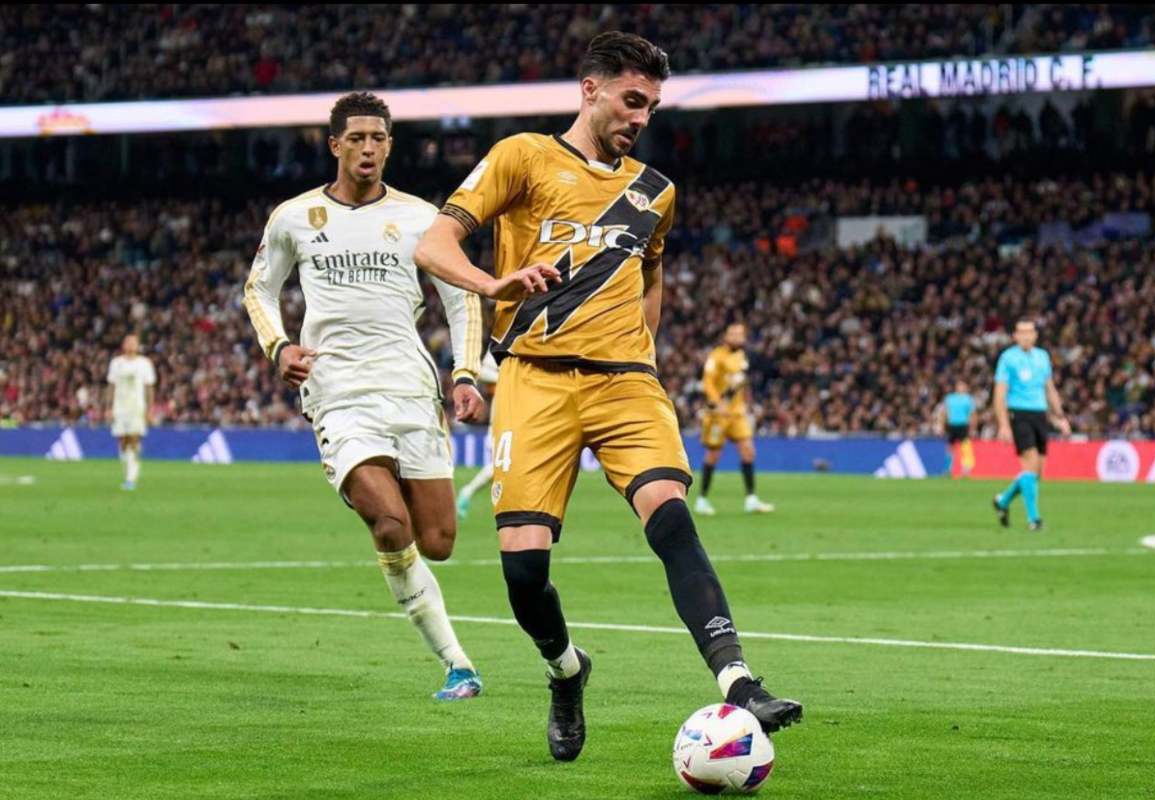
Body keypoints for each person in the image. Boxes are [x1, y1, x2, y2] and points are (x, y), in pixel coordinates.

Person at [415, 31, 802, 762]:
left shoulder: (654, 192)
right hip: (534, 381)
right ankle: (565, 671)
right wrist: (493, 283)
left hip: (625, 381)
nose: (641, 116)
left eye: (651, 106)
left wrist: (642, 352)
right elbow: (433, 245)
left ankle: (740, 681)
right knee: (524, 571)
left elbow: (650, 278)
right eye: (631, 100)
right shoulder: (522, 156)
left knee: (671, 519)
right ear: (588, 90)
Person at [243, 92, 486, 701]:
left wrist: (464, 374)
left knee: (436, 542)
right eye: (357, 139)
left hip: (410, 387)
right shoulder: (294, 217)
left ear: (389, 146)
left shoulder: (420, 218)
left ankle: (397, 514)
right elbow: (258, 290)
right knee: (387, 523)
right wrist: (279, 348)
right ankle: (458, 663)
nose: (369, 148)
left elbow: (462, 298)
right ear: (335, 146)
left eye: (379, 138)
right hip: (338, 391)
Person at [991, 318, 1072, 531]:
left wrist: (1060, 417)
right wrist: (1004, 424)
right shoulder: (1008, 358)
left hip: (1040, 415)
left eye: (1029, 332)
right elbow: (1000, 392)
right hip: (1019, 415)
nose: (1025, 336)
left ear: (1035, 335)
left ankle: (1003, 501)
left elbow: (1049, 388)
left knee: (1037, 473)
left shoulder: (1043, 357)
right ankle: (1033, 519)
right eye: (1021, 332)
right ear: (1015, 336)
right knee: (1029, 463)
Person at [694, 322, 774, 515]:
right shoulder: (716, 356)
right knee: (713, 455)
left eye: (740, 334)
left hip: (737, 413)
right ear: (726, 336)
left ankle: (751, 499)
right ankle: (702, 500)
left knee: (748, 450)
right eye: (733, 333)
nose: (737, 337)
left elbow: (741, 384)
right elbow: (708, 382)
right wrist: (717, 403)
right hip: (718, 414)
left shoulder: (742, 357)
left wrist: (747, 402)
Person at [106, 334, 156, 491]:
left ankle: (131, 478)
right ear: (123, 345)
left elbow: (149, 387)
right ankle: (128, 469)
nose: (131, 345)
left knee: (134, 439)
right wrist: (108, 407)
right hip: (119, 408)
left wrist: (150, 409)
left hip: (137, 407)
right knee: (122, 442)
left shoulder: (144, 363)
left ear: (138, 346)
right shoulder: (116, 363)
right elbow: (111, 386)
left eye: (134, 342)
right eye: (128, 342)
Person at [455, 352, 500, 520]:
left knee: (501, 467)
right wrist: (506, 378)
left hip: (515, 407)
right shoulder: (500, 344)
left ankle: (468, 491)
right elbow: (483, 373)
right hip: (502, 410)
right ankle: (468, 491)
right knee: (500, 465)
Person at [937, 378, 976, 478]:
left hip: (963, 425)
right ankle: (947, 469)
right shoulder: (950, 398)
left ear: (966, 387)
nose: (961, 388)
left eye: (963, 386)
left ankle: (966, 471)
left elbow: (972, 415)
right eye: (959, 386)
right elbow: (944, 412)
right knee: (950, 448)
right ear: (956, 387)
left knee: (965, 448)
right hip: (952, 425)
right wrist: (941, 425)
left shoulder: (968, 399)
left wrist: (972, 428)